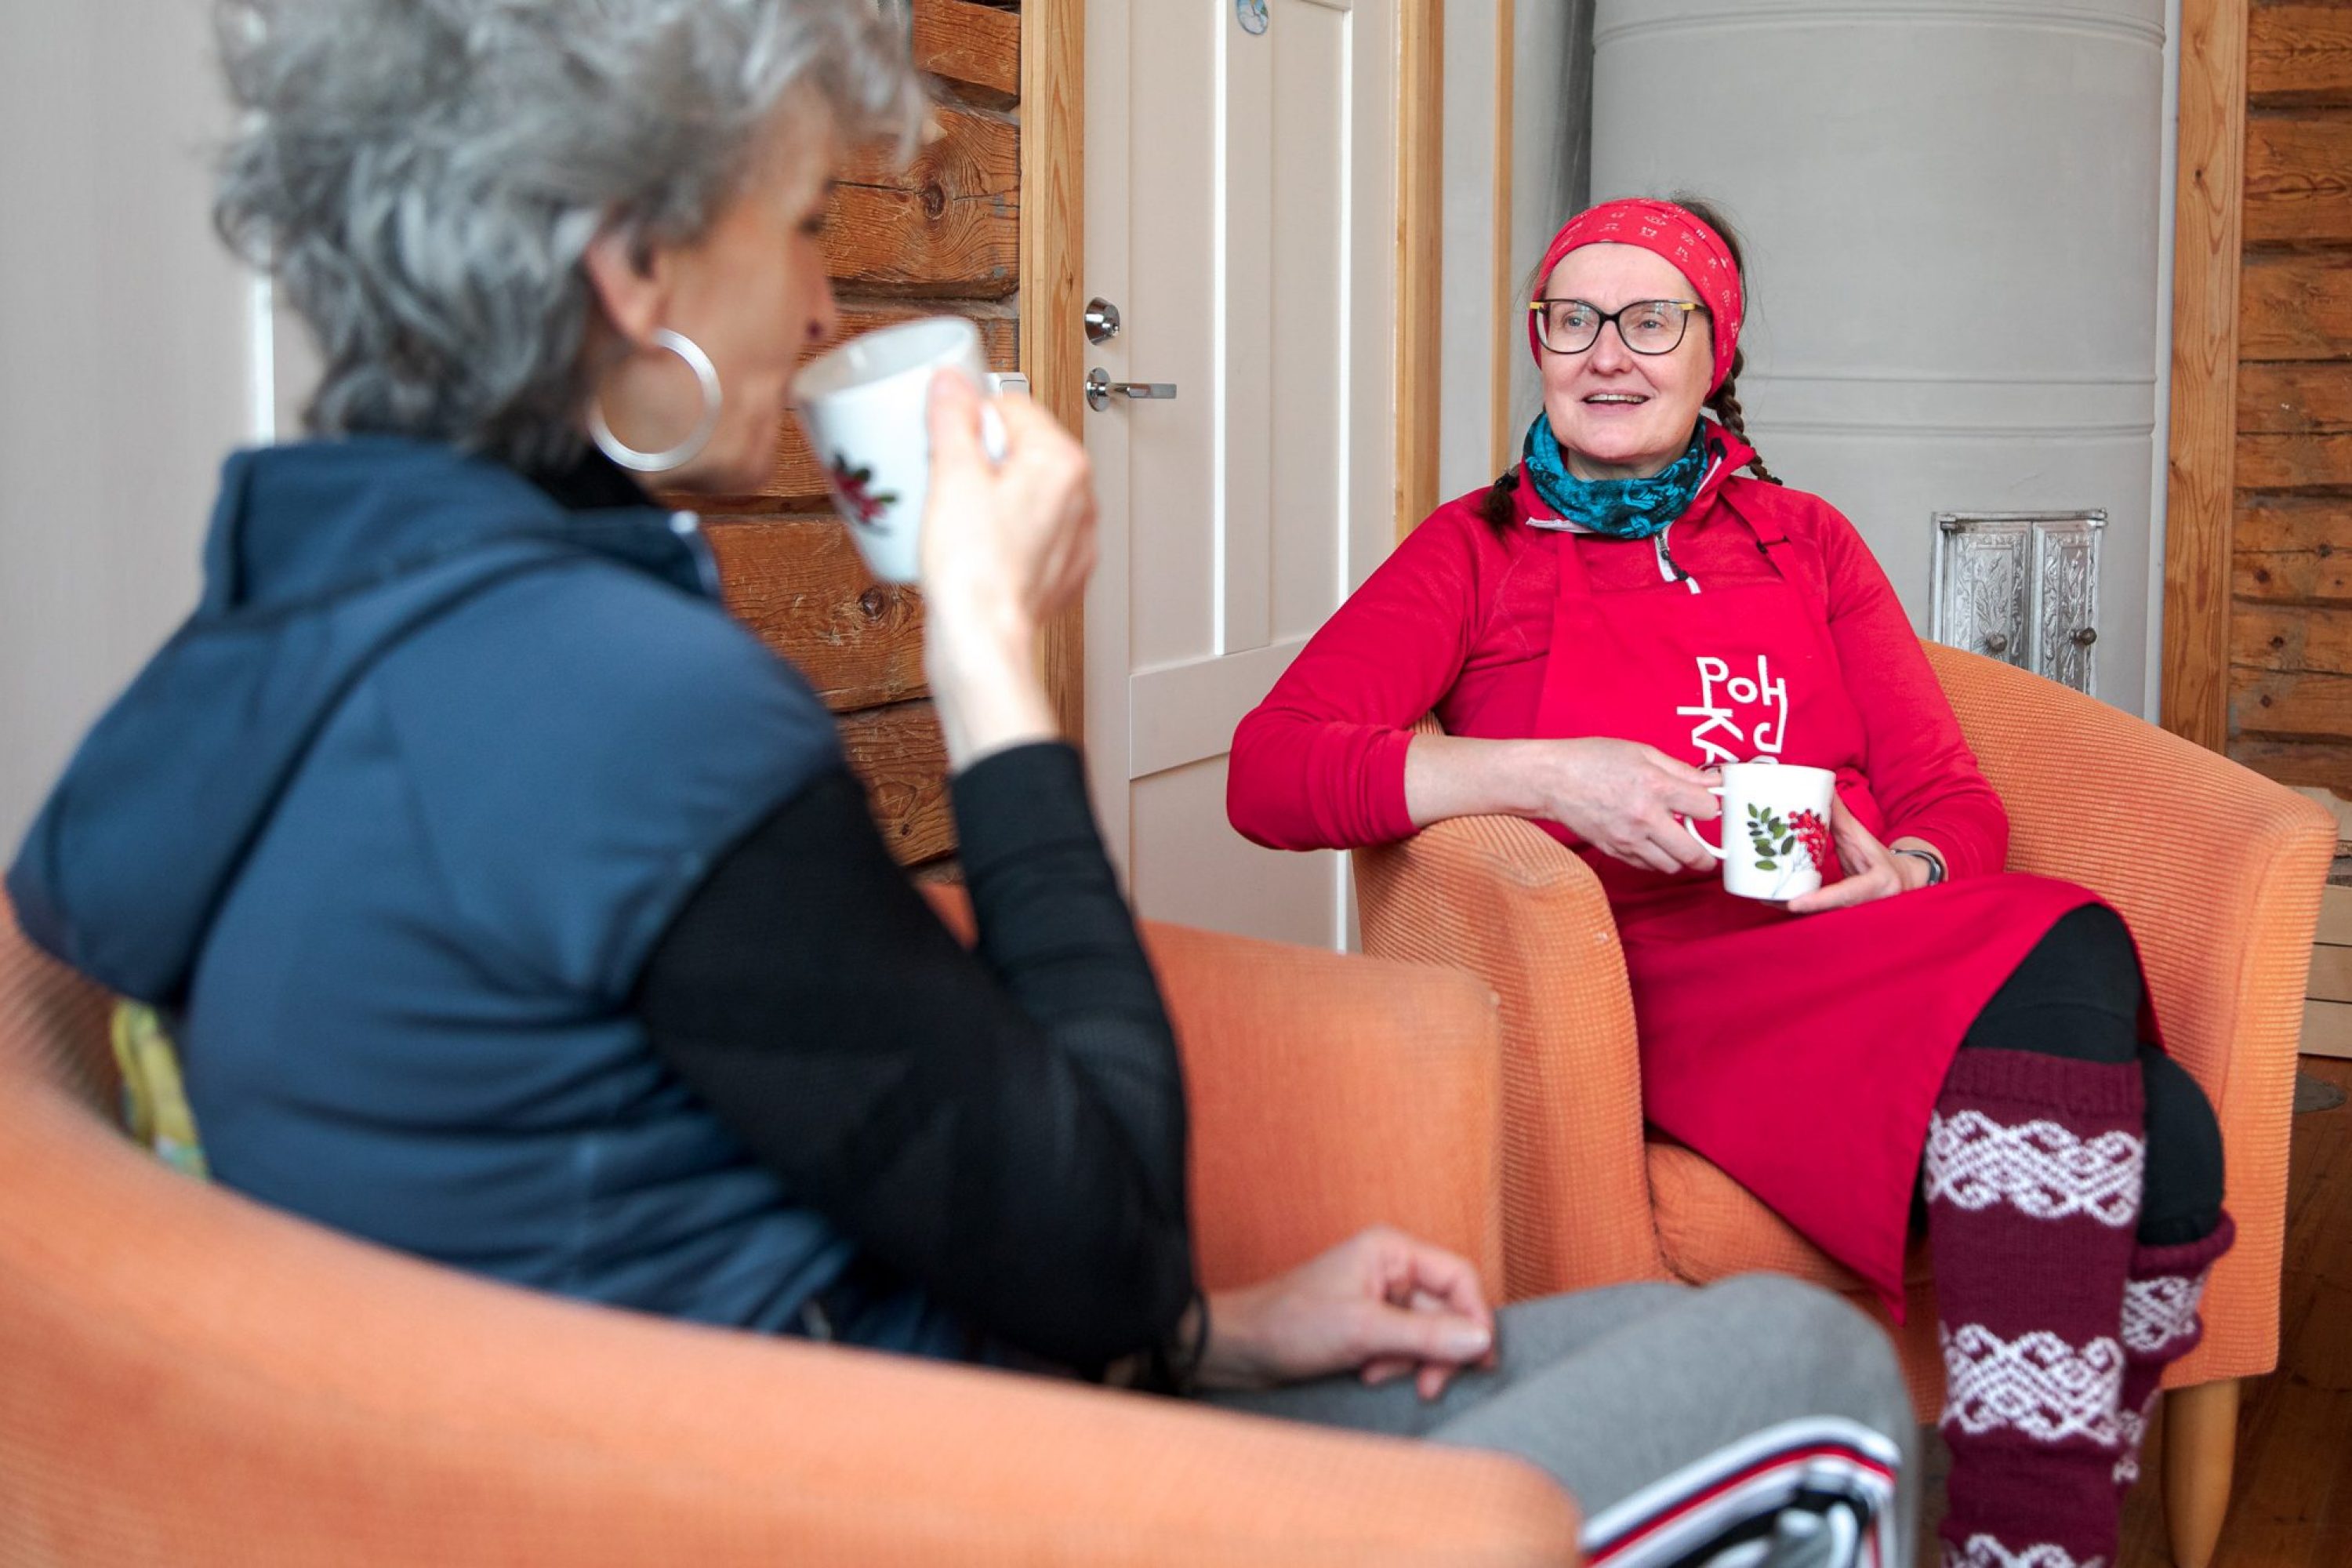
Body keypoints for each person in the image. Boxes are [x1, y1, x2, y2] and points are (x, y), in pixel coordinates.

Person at [8, 11, 1916, 1564]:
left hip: (835, 1390)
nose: (828, 305)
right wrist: (996, 661)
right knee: (1806, 1362)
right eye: (799, 227)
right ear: (635, 266)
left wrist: (1221, 1327)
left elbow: (781, 1115)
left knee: (1652, 1338)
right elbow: (1100, 1224)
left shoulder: (279, 626)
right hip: (898, 1479)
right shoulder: (626, 713)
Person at [1229, 194, 2234, 1568]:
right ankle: (2036, 1538)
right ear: (1539, 343)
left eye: (1652, 320)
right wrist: (1544, 774)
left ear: (1718, 353)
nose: (1607, 355)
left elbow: (1950, 798)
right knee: (2083, 973)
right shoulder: (1473, 553)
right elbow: (1272, 770)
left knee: (2162, 1123)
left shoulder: (1806, 542)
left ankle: (2021, 1532)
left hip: (1841, 948)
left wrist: (1910, 872)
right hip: (1646, 988)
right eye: (1572, 320)